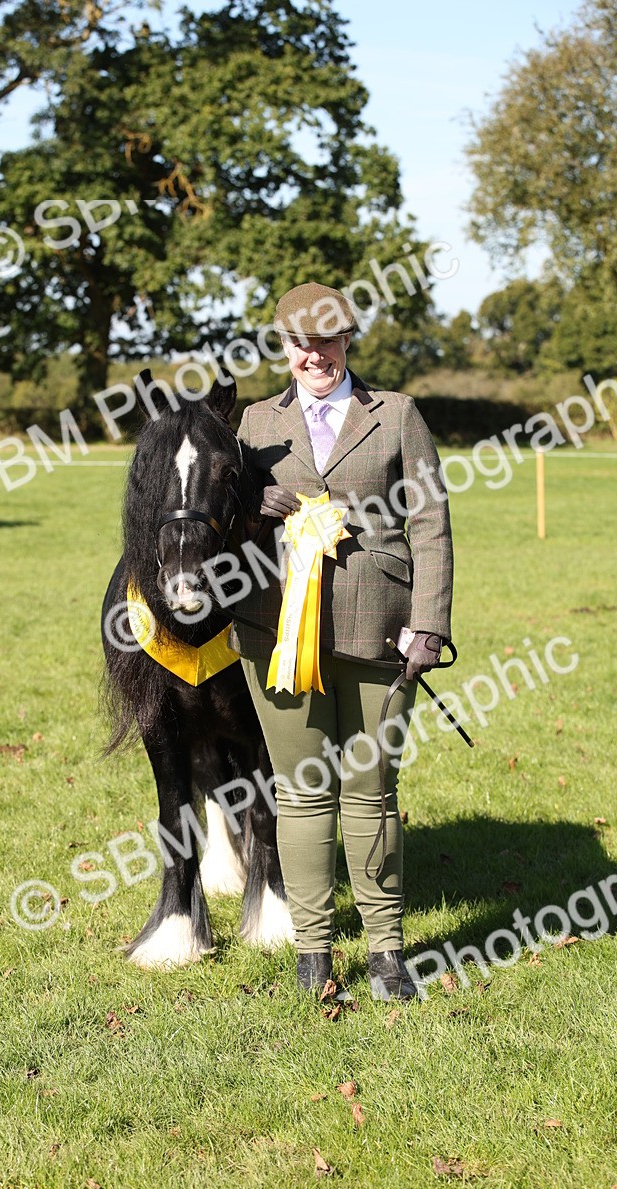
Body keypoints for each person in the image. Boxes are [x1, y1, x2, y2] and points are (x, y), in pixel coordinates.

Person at [230, 281, 453, 1002]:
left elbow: (431, 526)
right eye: (300, 343)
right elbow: (220, 522)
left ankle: (387, 952)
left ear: (348, 341)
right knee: (299, 794)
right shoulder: (253, 424)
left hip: (381, 629)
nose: (313, 355)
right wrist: (251, 507)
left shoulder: (398, 416)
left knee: (371, 793)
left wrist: (432, 623)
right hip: (276, 632)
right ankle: (313, 953)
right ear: (284, 346)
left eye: (326, 342)